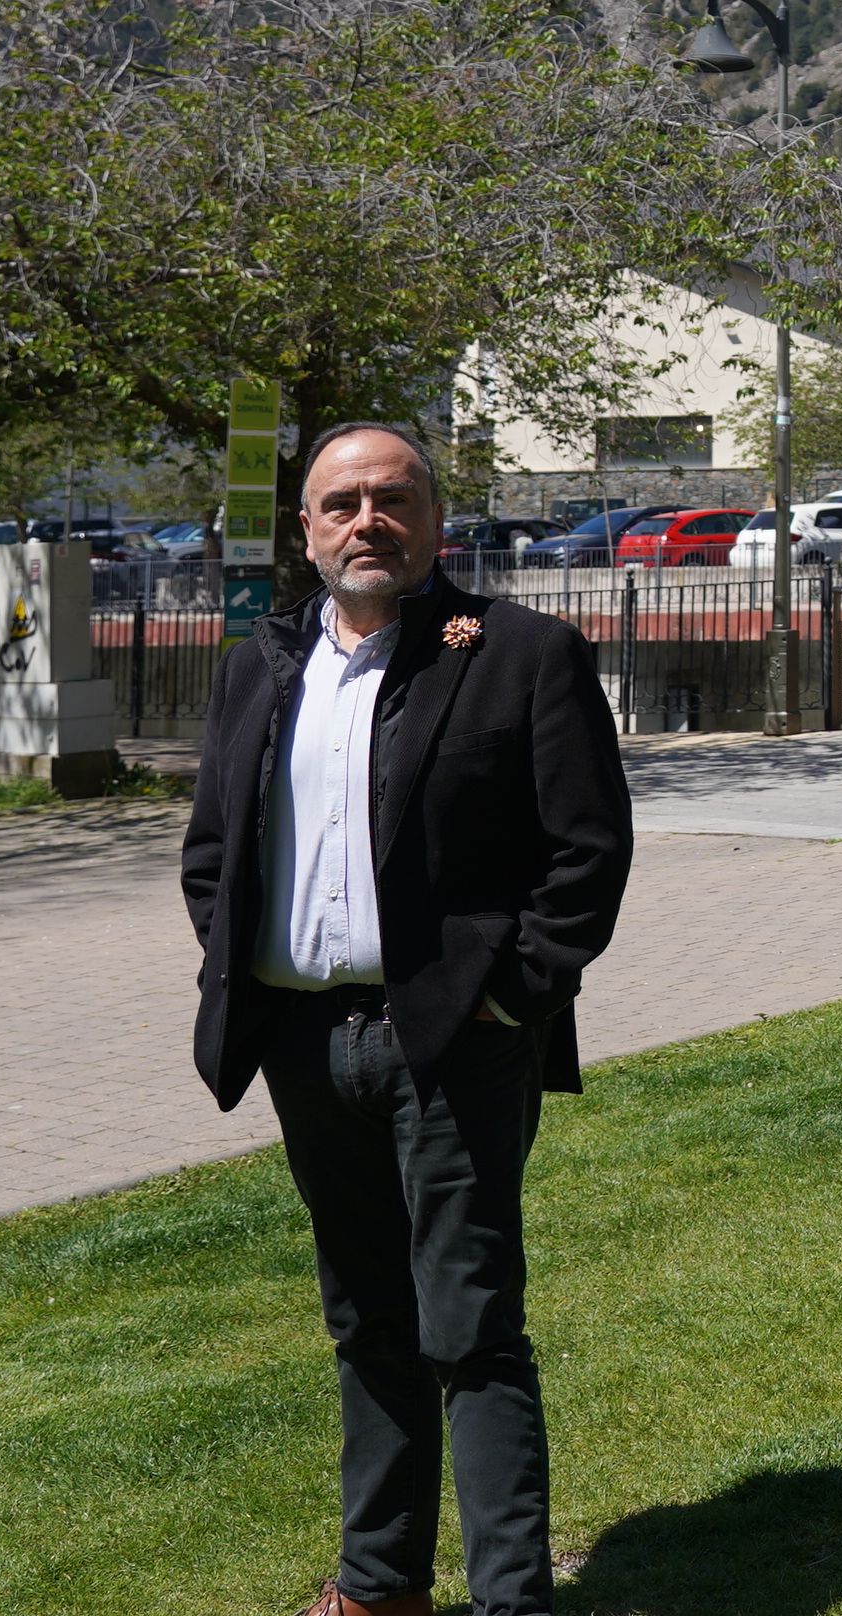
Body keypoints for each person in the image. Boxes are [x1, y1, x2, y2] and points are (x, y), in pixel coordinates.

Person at [182, 422, 635, 1616]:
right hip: (302, 1043)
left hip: (455, 1041)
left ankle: (509, 1599)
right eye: (341, 502)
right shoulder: (260, 664)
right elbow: (214, 855)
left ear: (435, 518)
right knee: (365, 1316)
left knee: (470, 1323)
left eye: (392, 498)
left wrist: (508, 997)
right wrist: (246, 974)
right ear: (307, 529)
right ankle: (381, 1583)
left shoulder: (519, 653)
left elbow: (584, 853)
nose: (365, 520)